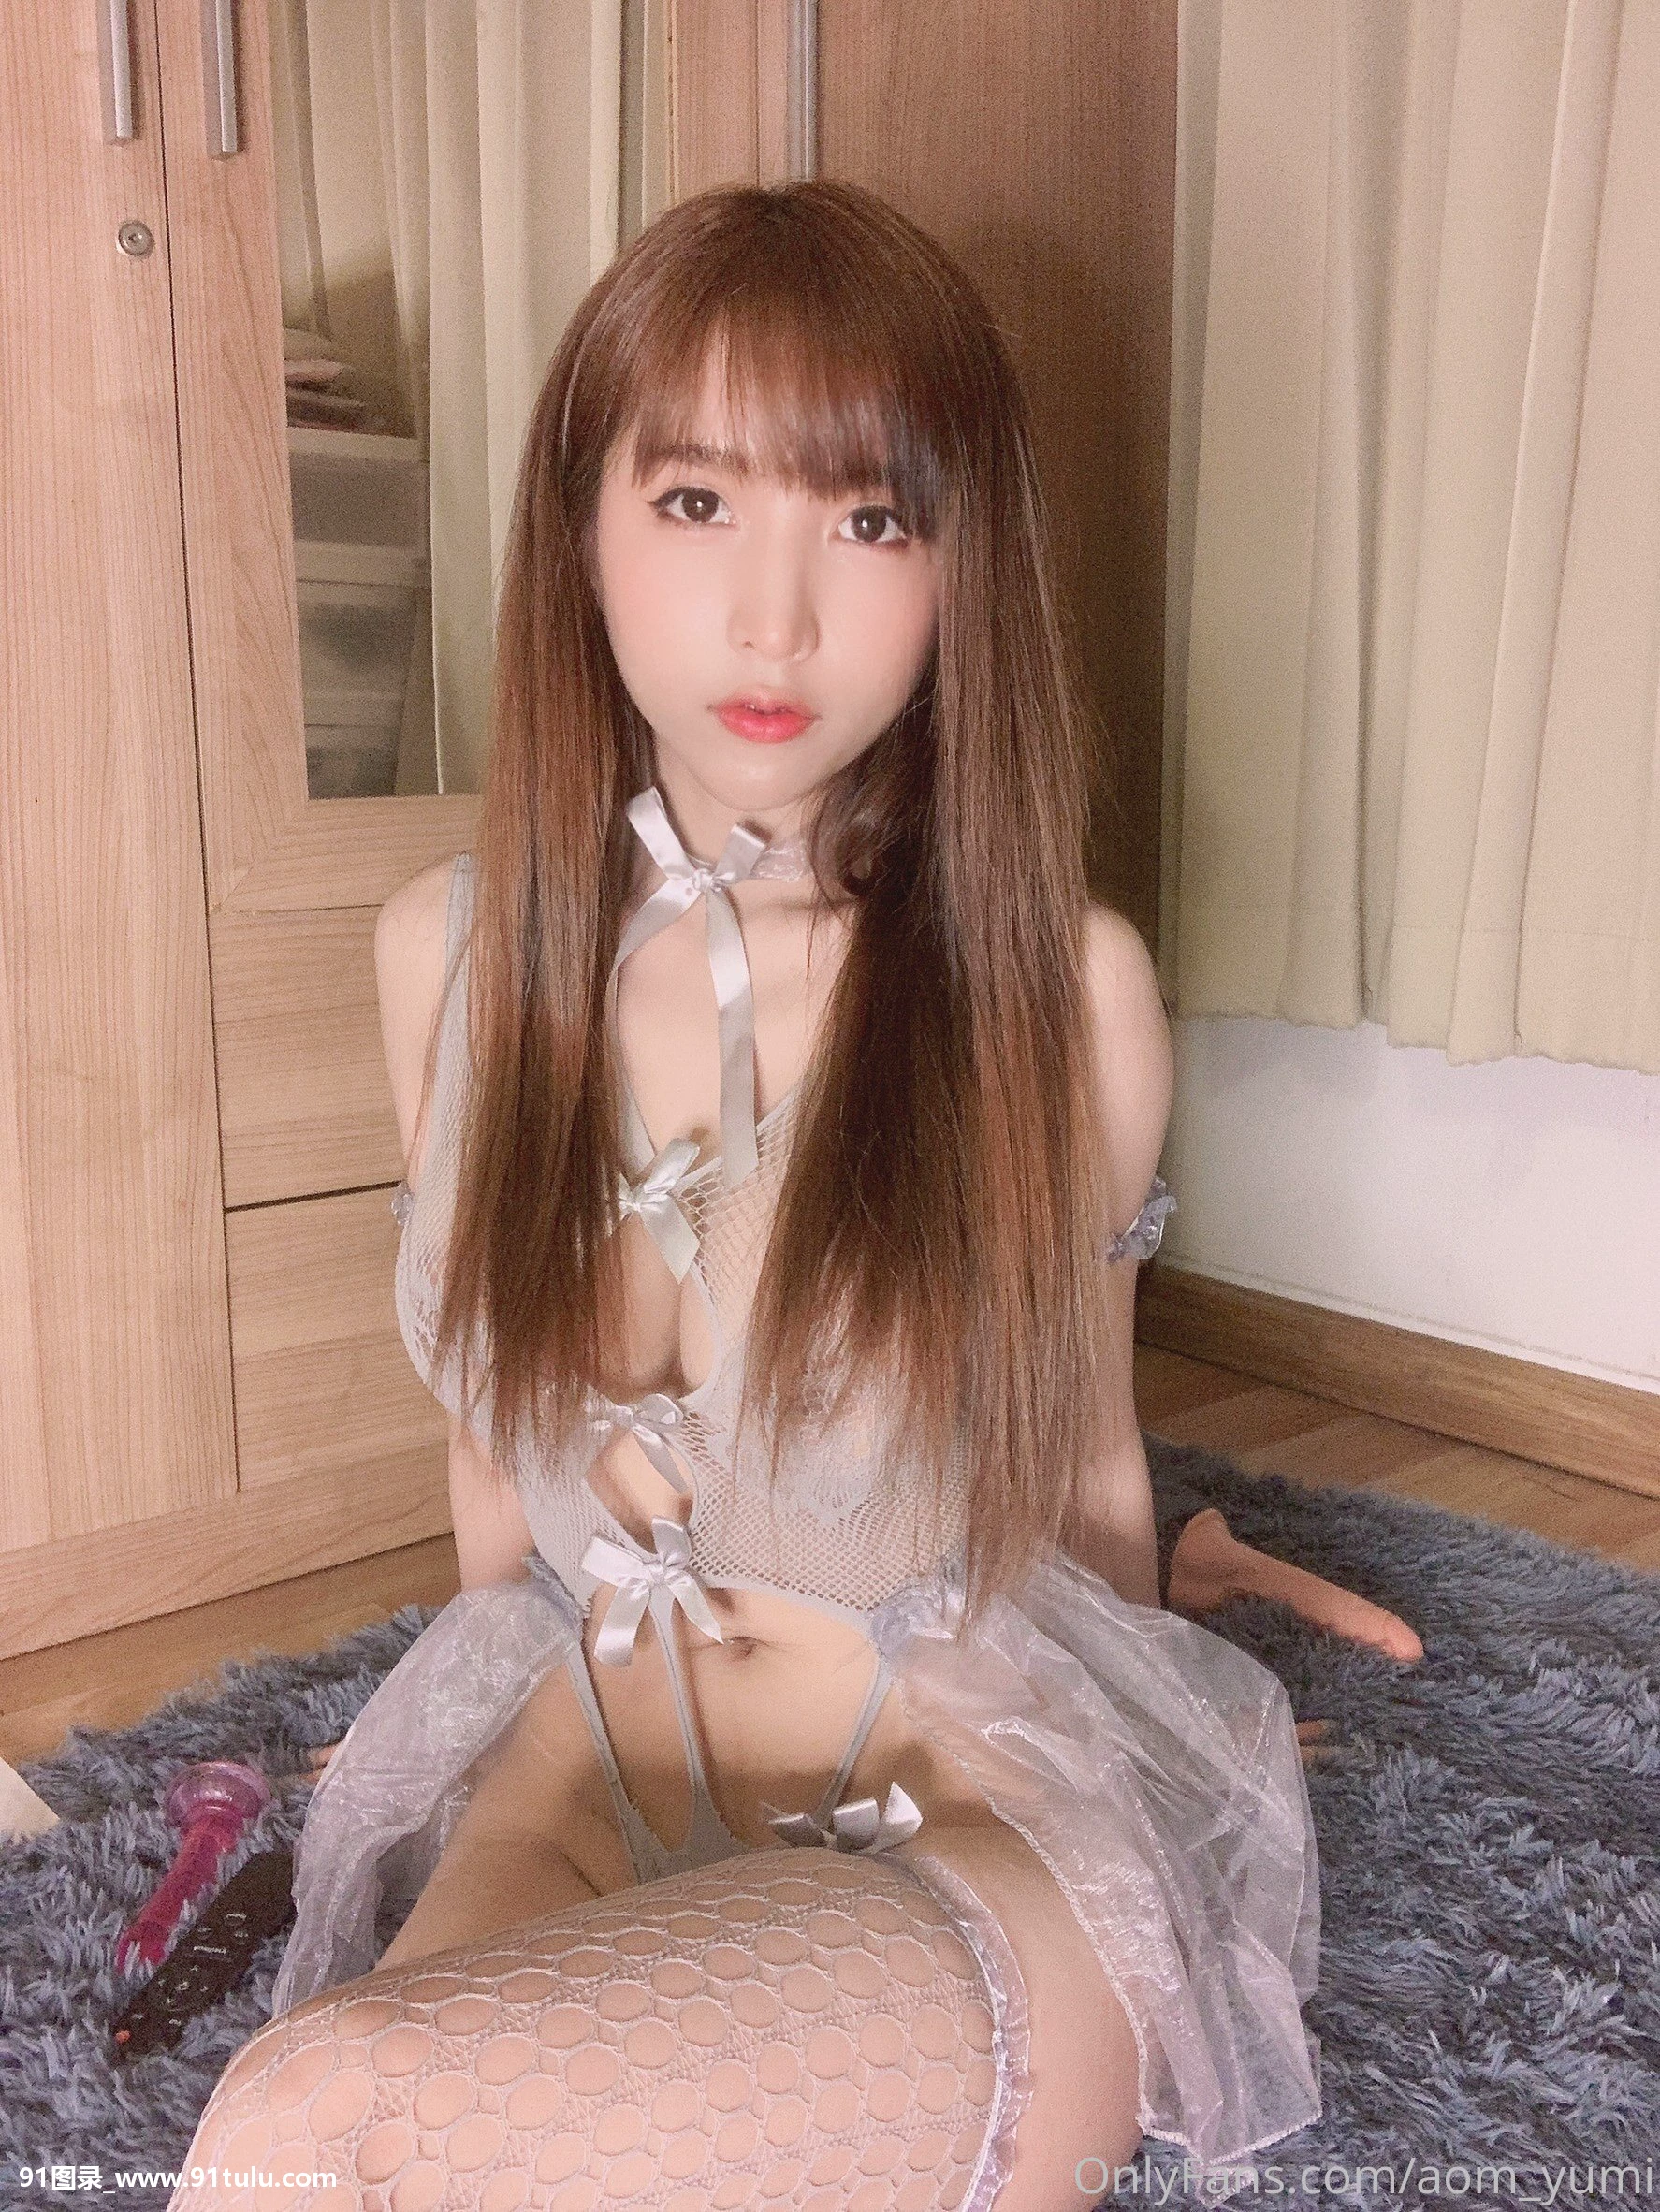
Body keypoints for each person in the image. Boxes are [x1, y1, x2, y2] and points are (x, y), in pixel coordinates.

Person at [170, 180, 1419, 2212]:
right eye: (693, 503)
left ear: (959, 569)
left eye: (868, 521)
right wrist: (447, 1724)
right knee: (317, 2131)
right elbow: (491, 1448)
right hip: (585, 1782)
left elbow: (1075, 1446)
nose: (774, 621)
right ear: (578, 529)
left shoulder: (1055, 994)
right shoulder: (447, 959)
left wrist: (1163, 1723)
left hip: (946, 1806)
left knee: (359, 2118)